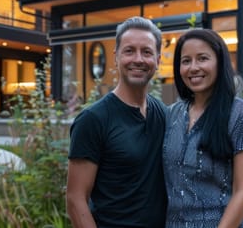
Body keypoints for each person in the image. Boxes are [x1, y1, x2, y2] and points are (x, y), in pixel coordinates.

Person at [66, 16, 168, 227]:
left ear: (158, 60)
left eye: (146, 52)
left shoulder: (164, 114)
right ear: (116, 57)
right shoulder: (93, 120)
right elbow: (76, 200)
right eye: (129, 51)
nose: (138, 59)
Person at [162, 28, 243, 227]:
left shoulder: (241, 115)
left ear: (220, 62)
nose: (193, 67)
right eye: (186, 61)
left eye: (202, 58)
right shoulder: (172, 114)